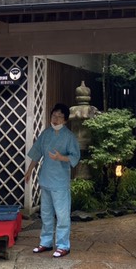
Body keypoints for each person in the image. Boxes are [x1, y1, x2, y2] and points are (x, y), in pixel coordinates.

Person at [25, 103, 81, 258]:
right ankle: (46, 242)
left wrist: (60, 157)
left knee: (62, 216)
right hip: (46, 180)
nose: (56, 119)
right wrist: (29, 171)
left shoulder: (69, 137)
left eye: (60, 116)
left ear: (65, 120)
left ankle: (63, 246)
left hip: (60, 183)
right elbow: (36, 153)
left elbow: (75, 157)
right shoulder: (45, 134)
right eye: (54, 115)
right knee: (46, 214)